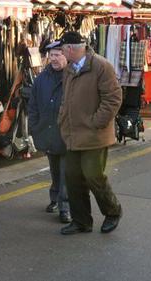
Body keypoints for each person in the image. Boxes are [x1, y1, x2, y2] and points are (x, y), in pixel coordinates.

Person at [58, 31, 123, 235]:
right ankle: (81, 221)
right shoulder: (69, 69)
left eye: (62, 48)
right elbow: (66, 99)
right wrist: (62, 118)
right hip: (72, 133)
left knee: (93, 175)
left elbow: (113, 98)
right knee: (72, 177)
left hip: (94, 135)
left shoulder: (101, 66)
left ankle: (113, 211)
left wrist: (96, 122)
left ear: (70, 48)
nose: (60, 52)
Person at [28, 40, 71, 224]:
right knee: (54, 169)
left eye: (57, 54)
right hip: (47, 131)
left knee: (65, 171)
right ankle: (55, 198)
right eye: (51, 55)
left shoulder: (72, 77)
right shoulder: (41, 79)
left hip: (67, 132)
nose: (53, 58)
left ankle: (65, 207)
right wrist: (35, 127)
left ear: (66, 55)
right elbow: (33, 105)